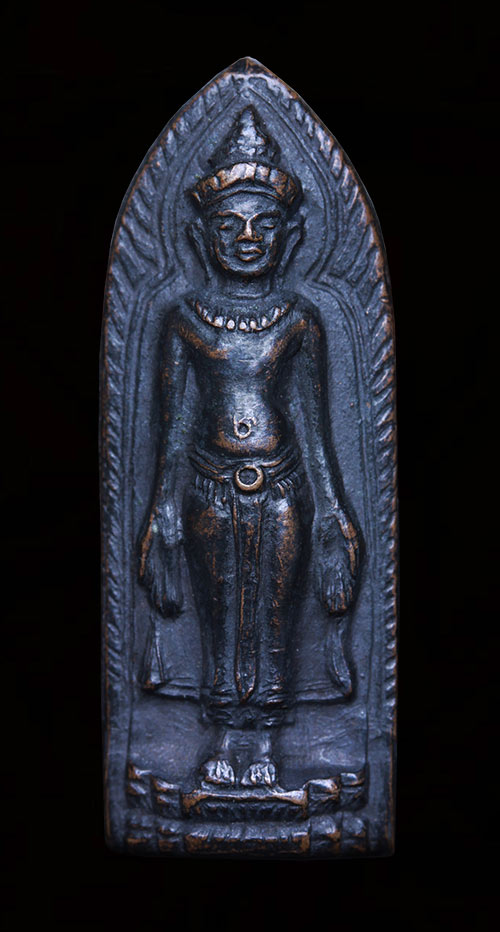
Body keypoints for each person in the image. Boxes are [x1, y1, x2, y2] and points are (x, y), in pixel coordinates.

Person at [139, 107, 360, 787]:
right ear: (200, 236)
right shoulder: (186, 321)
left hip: (284, 486)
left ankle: (262, 746)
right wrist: (163, 509)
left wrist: (333, 513)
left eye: (263, 225)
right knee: (219, 619)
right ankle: (220, 742)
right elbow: (174, 428)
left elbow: (318, 430)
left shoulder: (299, 322)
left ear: (290, 237)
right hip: (208, 486)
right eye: (229, 225)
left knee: (270, 619)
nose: (246, 238)